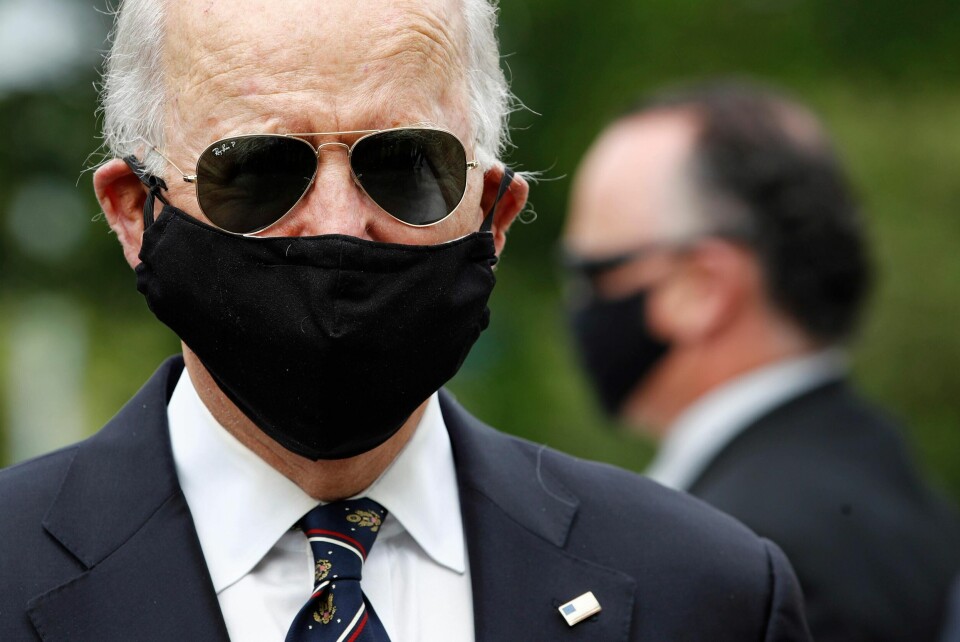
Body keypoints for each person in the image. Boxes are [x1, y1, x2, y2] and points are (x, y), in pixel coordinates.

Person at [0, 4, 812, 641]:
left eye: (405, 167)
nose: (337, 222)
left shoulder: (709, 593)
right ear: (135, 213)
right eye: (254, 170)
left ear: (495, 213)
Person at [563, 80, 960, 642]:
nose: (579, 306)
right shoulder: (885, 467)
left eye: (593, 273)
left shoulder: (743, 555)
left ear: (704, 287)